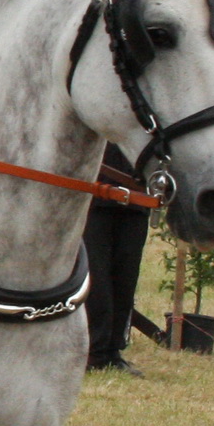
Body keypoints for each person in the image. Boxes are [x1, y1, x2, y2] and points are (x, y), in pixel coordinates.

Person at [83, 144, 149, 375]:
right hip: (94, 197)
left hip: (137, 199)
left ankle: (112, 351)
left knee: (125, 277)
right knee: (97, 277)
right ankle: (94, 351)